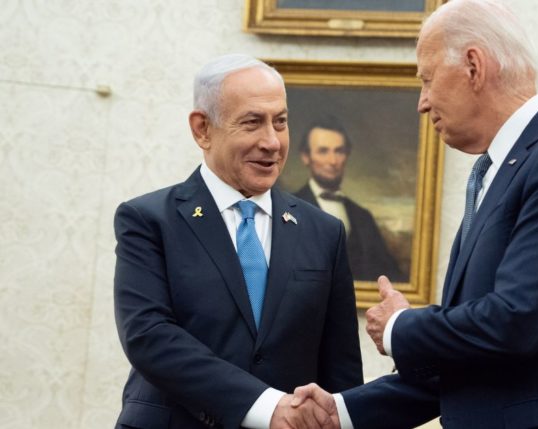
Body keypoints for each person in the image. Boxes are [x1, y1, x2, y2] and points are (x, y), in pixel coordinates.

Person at [295, 0, 538, 427]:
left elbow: (516, 322)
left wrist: (401, 327)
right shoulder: (494, 175)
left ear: (473, 66)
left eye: (427, 80)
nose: (422, 103)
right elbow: (470, 356)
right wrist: (341, 412)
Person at [113, 54, 362, 429]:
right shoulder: (149, 220)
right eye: (252, 123)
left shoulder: (324, 231)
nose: (272, 142)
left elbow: (340, 369)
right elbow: (149, 336)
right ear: (202, 129)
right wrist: (265, 406)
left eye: (280, 122)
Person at [294, 116, 406, 282]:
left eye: (339, 151)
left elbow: (391, 275)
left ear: (347, 156)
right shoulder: (288, 209)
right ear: (305, 157)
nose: (333, 161)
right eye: (323, 151)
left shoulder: (363, 217)